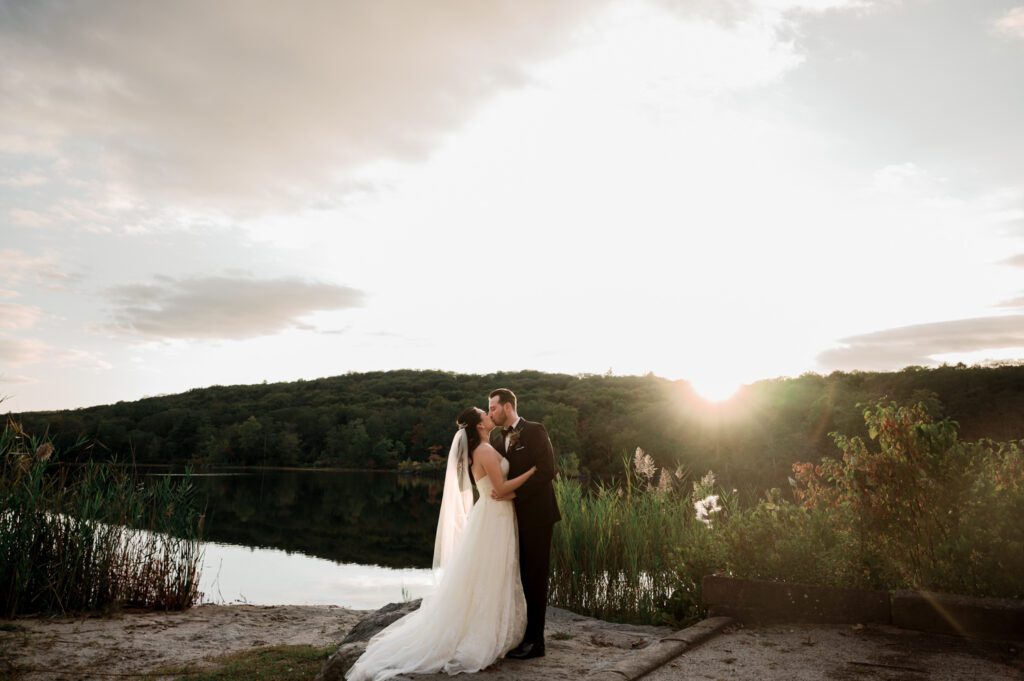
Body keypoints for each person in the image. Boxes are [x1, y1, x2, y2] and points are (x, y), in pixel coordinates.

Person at [346, 407, 537, 681]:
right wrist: (532, 473)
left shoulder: (485, 447)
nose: (488, 415)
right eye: (485, 413)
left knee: (488, 573)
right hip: (493, 517)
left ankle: (485, 626)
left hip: (493, 514)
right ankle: (482, 634)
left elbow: (500, 489)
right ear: (479, 425)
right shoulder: (483, 451)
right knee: (491, 572)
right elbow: (502, 489)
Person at [487, 388, 561, 660]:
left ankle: (536, 643)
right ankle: (519, 636)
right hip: (511, 519)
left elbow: (547, 469)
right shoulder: (497, 439)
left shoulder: (535, 430)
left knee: (535, 578)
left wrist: (515, 493)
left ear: (507, 407)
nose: (491, 412)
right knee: (517, 576)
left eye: (493, 408)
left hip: (538, 517)